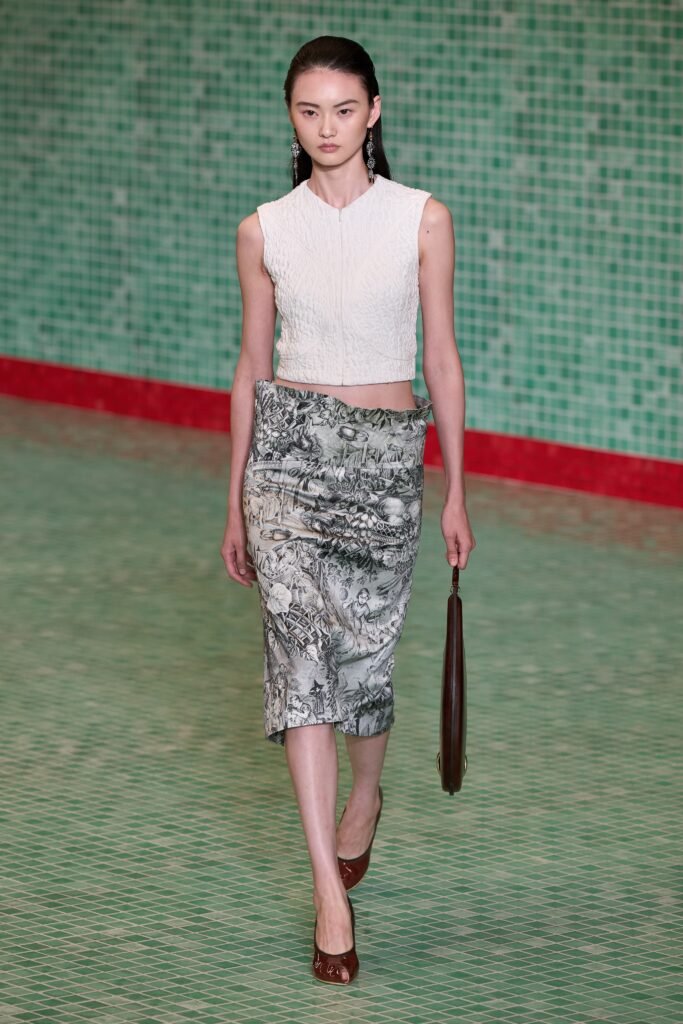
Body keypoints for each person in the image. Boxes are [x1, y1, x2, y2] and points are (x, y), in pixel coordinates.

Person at [221, 35, 475, 985]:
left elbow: (439, 357)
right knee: (302, 673)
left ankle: (366, 795)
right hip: (286, 464)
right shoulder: (263, 230)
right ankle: (328, 893)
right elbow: (251, 368)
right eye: (307, 111)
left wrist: (455, 487)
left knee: (364, 669)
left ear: (373, 112)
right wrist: (236, 499)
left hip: (383, 462)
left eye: (341, 109)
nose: (325, 127)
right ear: (290, 119)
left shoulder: (420, 219)